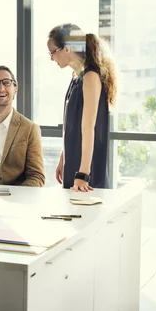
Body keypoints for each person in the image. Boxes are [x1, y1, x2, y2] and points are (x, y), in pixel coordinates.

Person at [48, 23, 117, 191]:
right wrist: (63, 158)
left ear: (67, 49)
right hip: (75, 162)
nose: (51, 58)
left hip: (86, 169)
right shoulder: (76, 77)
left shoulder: (90, 77)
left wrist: (83, 174)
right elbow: (73, 125)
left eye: (52, 52)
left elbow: (88, 128)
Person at [0, 65, 45, 187]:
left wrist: (16, 197)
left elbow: (36, 176)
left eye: (7, 83)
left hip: (7, 197)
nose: (1, 88)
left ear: (15, 89)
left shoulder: (29, 129)